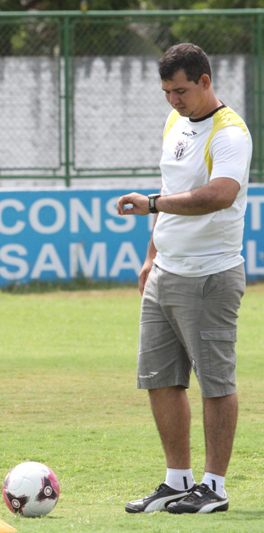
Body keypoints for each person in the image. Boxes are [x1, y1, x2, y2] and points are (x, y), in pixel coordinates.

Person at [117, 43, 252, 514]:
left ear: (205, 82)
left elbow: (219, 194)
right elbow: (174, 189)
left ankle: (213, 487)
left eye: (181, 90)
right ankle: (178, 480)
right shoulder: (175, 122)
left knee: (215, 382)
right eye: (166, 92)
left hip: (210, 274)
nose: (173, 100)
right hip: (166, 272)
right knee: (160, 379)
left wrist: (152, 204)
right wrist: (151, 254)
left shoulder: (230, 133)